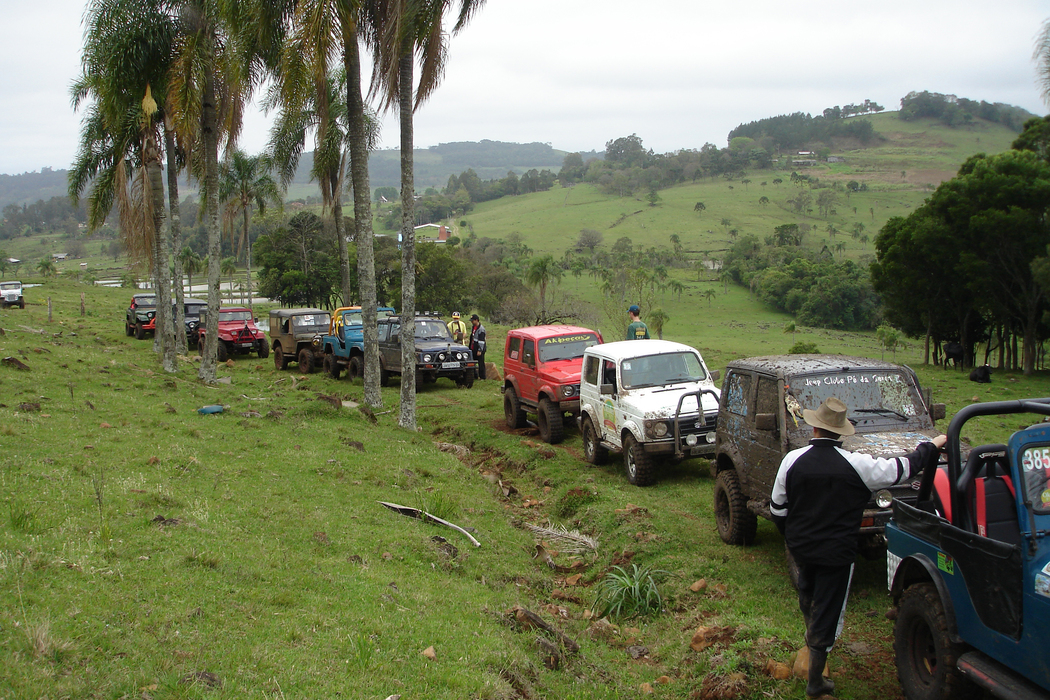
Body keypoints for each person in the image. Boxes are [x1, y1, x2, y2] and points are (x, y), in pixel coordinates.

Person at [769, 397, 945, 699]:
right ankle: (815, 680)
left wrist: (793, 537)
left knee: (808, 594)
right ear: (841, 432)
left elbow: (777, 509)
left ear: (814, 427)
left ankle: (812, 642)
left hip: (801, 547)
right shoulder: (858, 464)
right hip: (837, 552)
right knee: (829, 608)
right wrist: (932, 445)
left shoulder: (791, 460)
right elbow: (903, 469)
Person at [469, 313, 487, 380]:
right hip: (473, 347)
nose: (471, 322)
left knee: (480, 363)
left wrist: (480, 350)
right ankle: (475, 375)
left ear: (476, 320)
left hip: (479, 349)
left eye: (472, 320)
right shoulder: (473, 327)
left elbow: (482, 341)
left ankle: (482, 377)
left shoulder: (481, 329)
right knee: (472, 362)